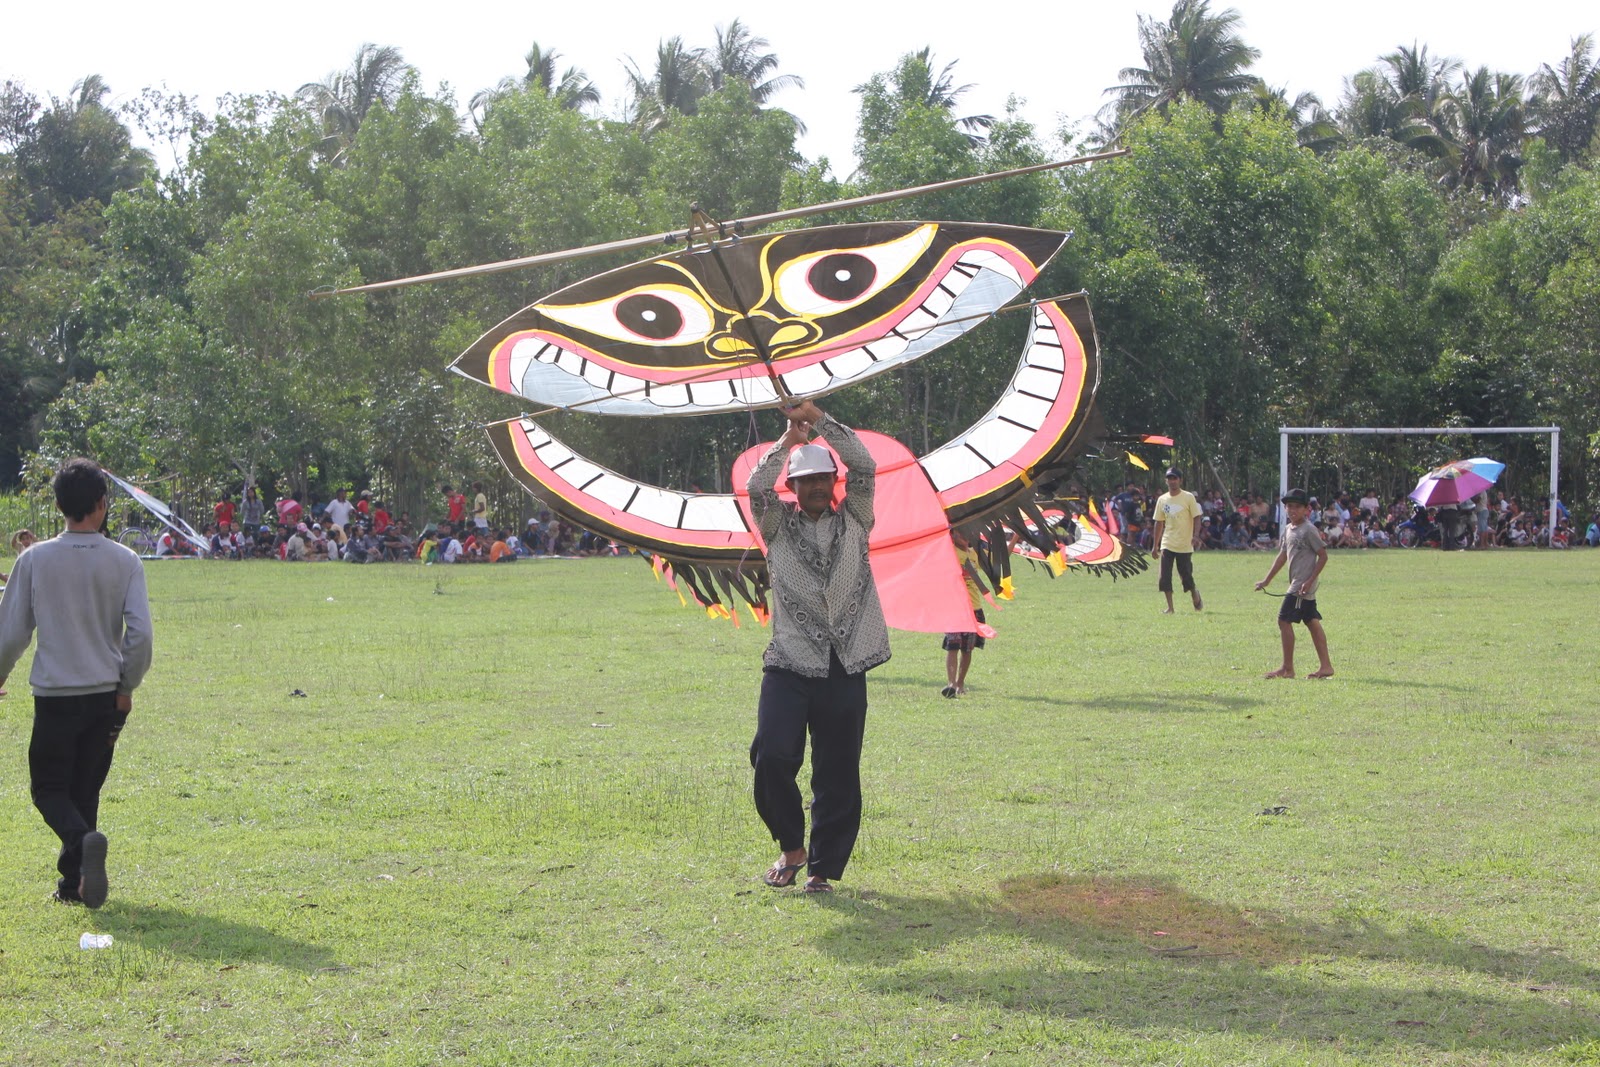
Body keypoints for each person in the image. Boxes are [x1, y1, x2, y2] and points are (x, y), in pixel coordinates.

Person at [748, 400, 889, 895]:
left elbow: (866, 465)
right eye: (804, 480)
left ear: (834, 482)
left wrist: (821, 418)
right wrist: (789, 440)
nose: (814, 487)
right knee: (772, 757)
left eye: (822, 478)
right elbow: (755, 486)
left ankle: (821, 870)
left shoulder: (857, 519)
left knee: (838, 772)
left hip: (846, 664)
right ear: (793, 486)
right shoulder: (775, 527)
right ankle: (792, 848)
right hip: (789, 662)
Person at [0, 458, 153, 907]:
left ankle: (80, 848)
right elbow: (140, 634)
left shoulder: (34, 559)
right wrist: (127, 686)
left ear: (59, 505)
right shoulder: (125, 560)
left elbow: (11, 633)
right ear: (103, 504)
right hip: (105, 693)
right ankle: (74, 885)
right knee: (85, 788)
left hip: (55, 694)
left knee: (48, 788)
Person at [1255, 487, 1333, 680]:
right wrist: (1267, 579)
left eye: (1297, 507)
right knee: (1311, 621)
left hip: (1301, 586)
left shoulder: (1309, 530)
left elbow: (1323, 556)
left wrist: (1309, 580)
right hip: (1300, 584)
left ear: (1306, 509)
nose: (1292, 511)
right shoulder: (1288, 530)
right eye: (1289, 506)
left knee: (1283, 620)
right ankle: (1326, 666)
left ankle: (1287, 669)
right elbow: (1282, 556)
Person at [940, 529, 988, 698]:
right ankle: (951, 684)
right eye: (960, 533)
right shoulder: (950, 551)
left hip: (974, 608)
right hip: (954, 607)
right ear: (953, 535)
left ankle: (960, 683)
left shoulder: (974, 553)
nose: (965, 536)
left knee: (967, 649)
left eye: (967, 532)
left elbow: (999, 561)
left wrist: (1016, 537)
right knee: (952, 646)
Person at [1152, 467, 1204, 613]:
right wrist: (1155, 546)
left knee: (1186, 575)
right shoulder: (1162, 500)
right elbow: (1158, 522)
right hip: (1167, 542)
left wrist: (1196, 535)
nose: (1172, 481)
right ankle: (1170, 608)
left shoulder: (1188, 497)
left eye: (1175, 478)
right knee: (1164, 576)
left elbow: (1197, 517)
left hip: (1185, 544)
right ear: (1166, 481)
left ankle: (1194, 593)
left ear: (1180, 480)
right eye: (1169, 478)